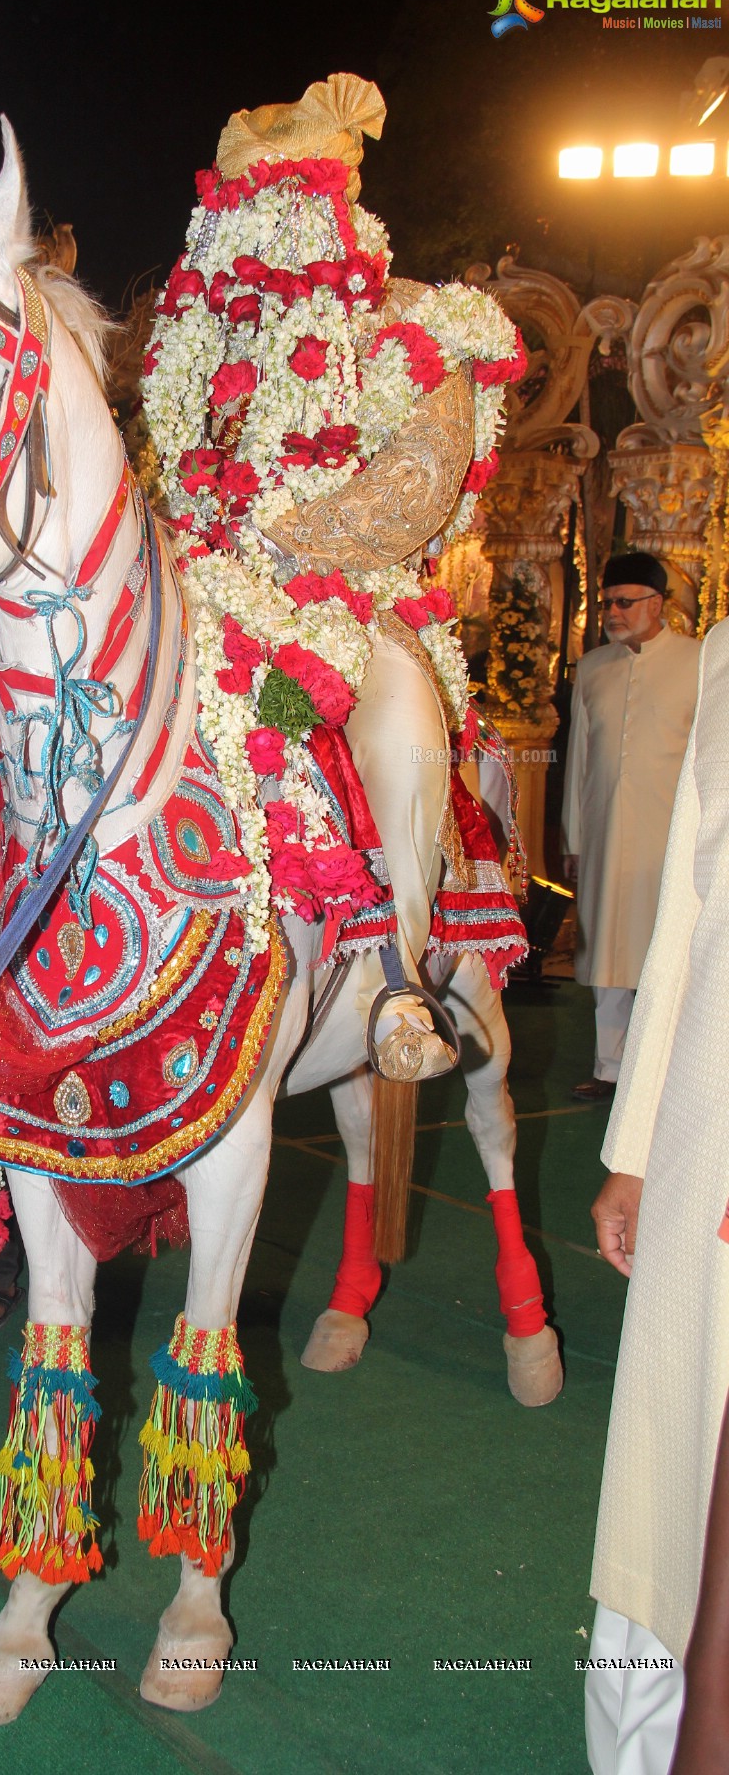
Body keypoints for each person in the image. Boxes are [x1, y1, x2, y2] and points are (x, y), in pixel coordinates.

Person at [586, 616, 729, 1774]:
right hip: (707, 1137)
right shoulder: (726, 656)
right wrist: (633, 1149)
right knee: (673, 1480)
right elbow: (690, 914)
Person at [561, 551, 699, 1100]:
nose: (612, 612)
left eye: (624, 602)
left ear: (656, 604)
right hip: (603, 833)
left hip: (671, 835)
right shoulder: (593, 667)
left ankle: (668, 1072)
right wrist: (573, 837)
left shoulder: (699, 662)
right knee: (609, 948)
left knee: (665, 949)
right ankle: (610, 1068)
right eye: (607, 602)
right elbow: (578, 761)